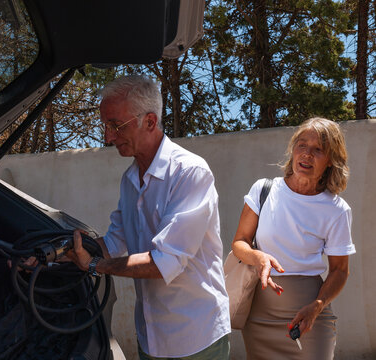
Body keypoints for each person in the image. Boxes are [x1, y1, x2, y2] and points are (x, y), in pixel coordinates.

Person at [67, 75, 231, 359]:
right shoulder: (130, 179)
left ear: (151, 122)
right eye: (105, 126)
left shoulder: (189, 172)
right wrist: (61, 252)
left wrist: (96, 265)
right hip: (150, 338)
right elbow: (113, 243)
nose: (108, 137)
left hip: (196, 338)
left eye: (116, 125)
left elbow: (164, 262)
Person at [231, 117, 355, 359]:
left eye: (318, 149)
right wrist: (258, 257)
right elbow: (239, 243)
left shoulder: (337, 209)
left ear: (330, 160)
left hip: (309, 315)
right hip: (259, 315)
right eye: (302, 144)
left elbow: (340, 271)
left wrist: (317, 307)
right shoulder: (264, 190)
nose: (307, 154)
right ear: (293, 149)